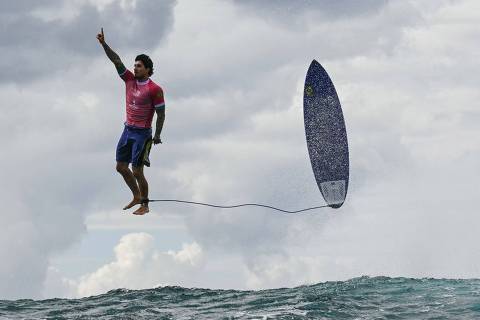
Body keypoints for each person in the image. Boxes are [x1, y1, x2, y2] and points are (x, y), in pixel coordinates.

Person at [96, 28, 165, 215]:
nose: (135, 68)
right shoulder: (129, 80)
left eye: (139, 66)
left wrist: (157, 135)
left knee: (137, 170)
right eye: (134, 65)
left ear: (148, 70)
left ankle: (145, 204)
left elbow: (161, 114)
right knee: (120, 167)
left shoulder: (155, 89)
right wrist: (104, 44)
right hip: (127, 130)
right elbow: (117, 60)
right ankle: (136, 196)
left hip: (142, 134)